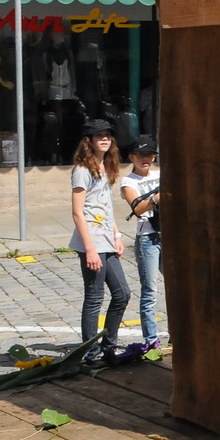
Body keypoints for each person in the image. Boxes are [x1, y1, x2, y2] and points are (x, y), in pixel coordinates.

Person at [70, 120, 128, 366]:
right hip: (91, 241)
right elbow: (78, 212)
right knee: (94, 297)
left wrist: (117, 235)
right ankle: (90, 352)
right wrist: (90, 249)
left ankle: (109, 346)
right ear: (89, 141)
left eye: (107, 135)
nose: (104, 139)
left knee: (122, 294)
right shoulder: (82, 170)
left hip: (107, 239)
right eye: (99, 135)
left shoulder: (106, 167)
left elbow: (106, 206)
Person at [119, 136, 164, 351]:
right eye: (140, 155)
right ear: (132, 157)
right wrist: (156, 198)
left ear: (154, 156)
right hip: (148, 238)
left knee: (176, 288)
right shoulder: (128, 181)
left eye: (149, 155)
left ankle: (178, 335)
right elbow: (137, 209)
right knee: (150, 290)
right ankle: (151, 340)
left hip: (167, 235)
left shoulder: (161, 174)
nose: (145, 159)